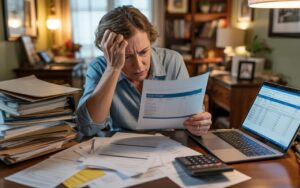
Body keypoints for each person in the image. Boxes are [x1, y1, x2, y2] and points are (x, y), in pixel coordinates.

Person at [76, 5, 211, 137]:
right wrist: (113, 68)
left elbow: (193, 116)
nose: (139, 66)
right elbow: (88, 128)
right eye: (127, 56)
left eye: (143, 52)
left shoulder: (172, 61)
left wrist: (199, 124)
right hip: (120, 150)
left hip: (166, 146)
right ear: (108, 52)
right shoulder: (99, 67)